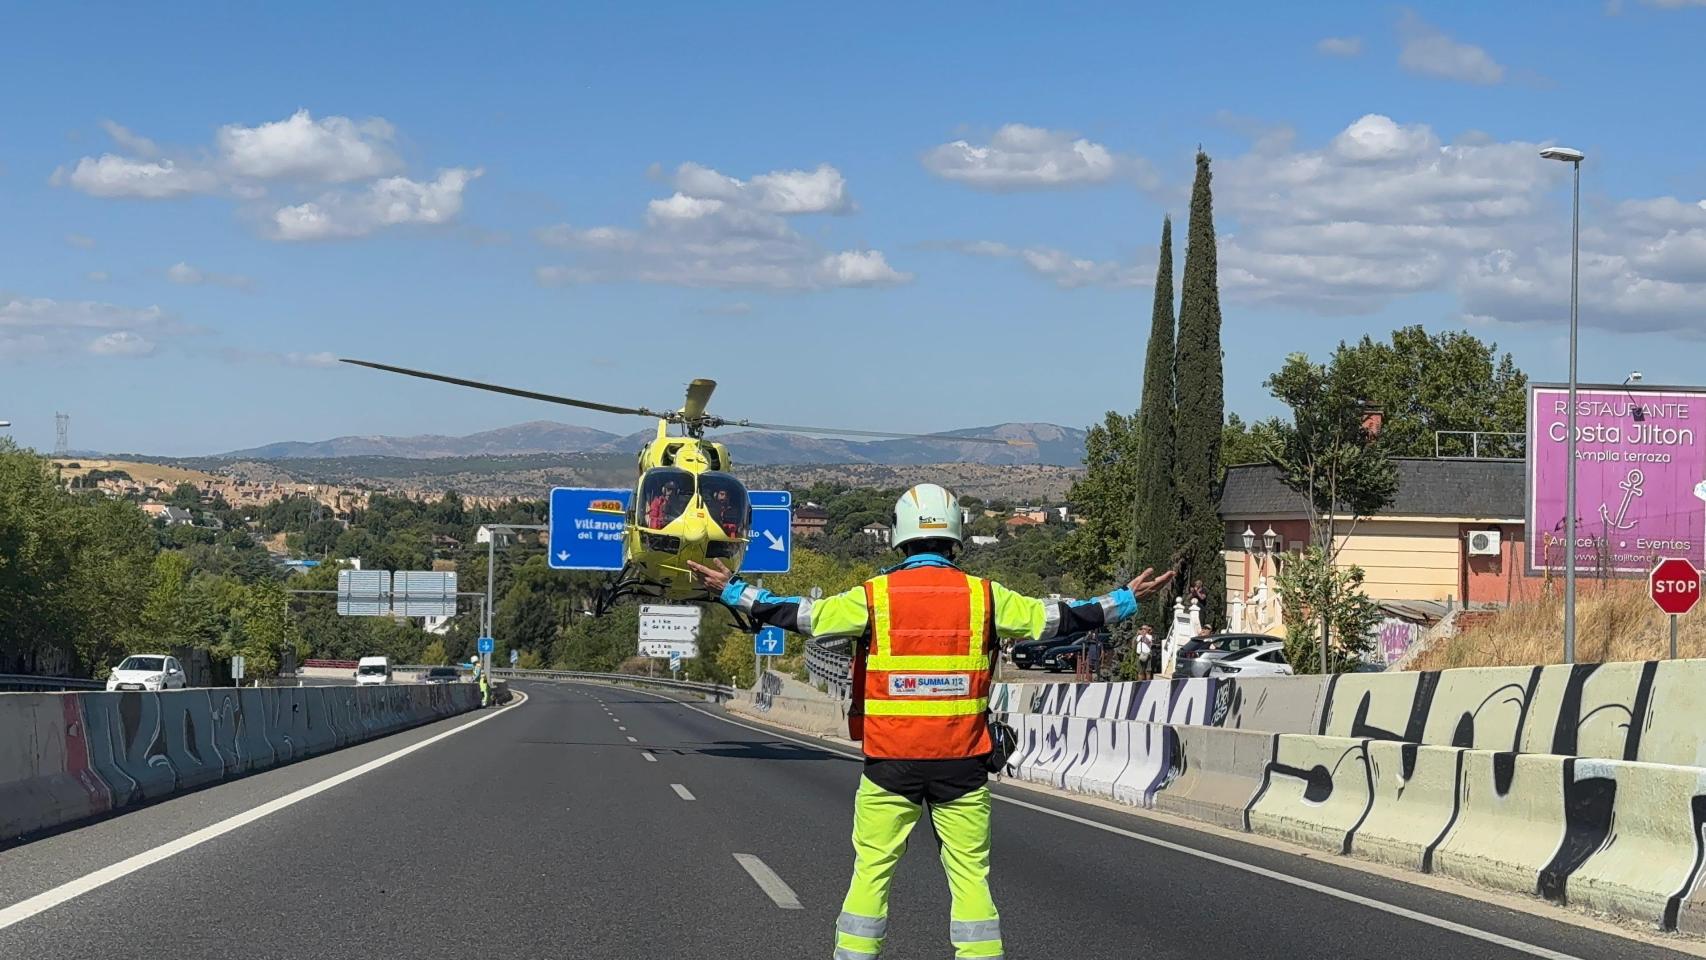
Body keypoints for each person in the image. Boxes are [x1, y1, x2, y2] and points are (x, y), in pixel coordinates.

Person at [689, 482, 1171, 960]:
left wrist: (735, 591)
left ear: (900, 536)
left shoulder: (874, 597)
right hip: (962, 762)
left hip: (890, 763)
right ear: (956, 536)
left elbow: (804, 616)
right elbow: (1055, 618)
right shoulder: (984, 597)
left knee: (872, 872)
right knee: (970, 878)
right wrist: (1124, 600)